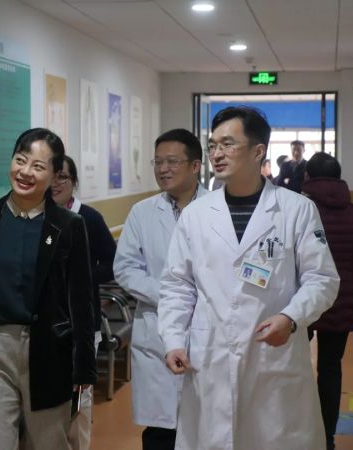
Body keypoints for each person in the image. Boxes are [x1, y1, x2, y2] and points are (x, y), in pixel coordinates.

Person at [158, 106, 340, 450]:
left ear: (258, 152)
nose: (217, 154)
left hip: (272, 358)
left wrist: (291, 317)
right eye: (213, 145)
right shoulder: (196, 215)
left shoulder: (296, 210)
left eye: (228, 144)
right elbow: (177, 285)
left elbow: (322, 279)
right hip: (209, 358)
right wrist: (173, 338)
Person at [0, 128, 97, 450]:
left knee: (50, 443)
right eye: (21, 160)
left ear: (54, 176)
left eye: (38, 166)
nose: (25, 172)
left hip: (48, 351)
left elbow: (81, 302)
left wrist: (84, 370)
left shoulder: (68, 225)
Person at [114, 128, 209, 450]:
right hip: (155, 331)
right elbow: (125, 268)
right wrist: (170, 295)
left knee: (206, 428)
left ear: (195, 166)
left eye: (172, 161)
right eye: (157, 162)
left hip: (206, 330)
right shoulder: (142, 212)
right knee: (160, 433)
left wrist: (197, 298)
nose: (163, 169)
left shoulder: (219, 209)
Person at [302, 152, 353, 450]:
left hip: (303, 301)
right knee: (331, 369)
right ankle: (327, 438)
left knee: (294, 368)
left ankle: (298, 433)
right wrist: (347, 283)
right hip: (340, 300)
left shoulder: (300, 211)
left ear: (308, 177)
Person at [52, 155, 117, 450]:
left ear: (74, 182)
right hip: (45, 325)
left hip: (83, 322)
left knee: (80, 394)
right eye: (51, 176)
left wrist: (81, 276)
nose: (55, 183)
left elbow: (113, 263)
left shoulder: (88, 218)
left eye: (63, 177)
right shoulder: (36, 218)